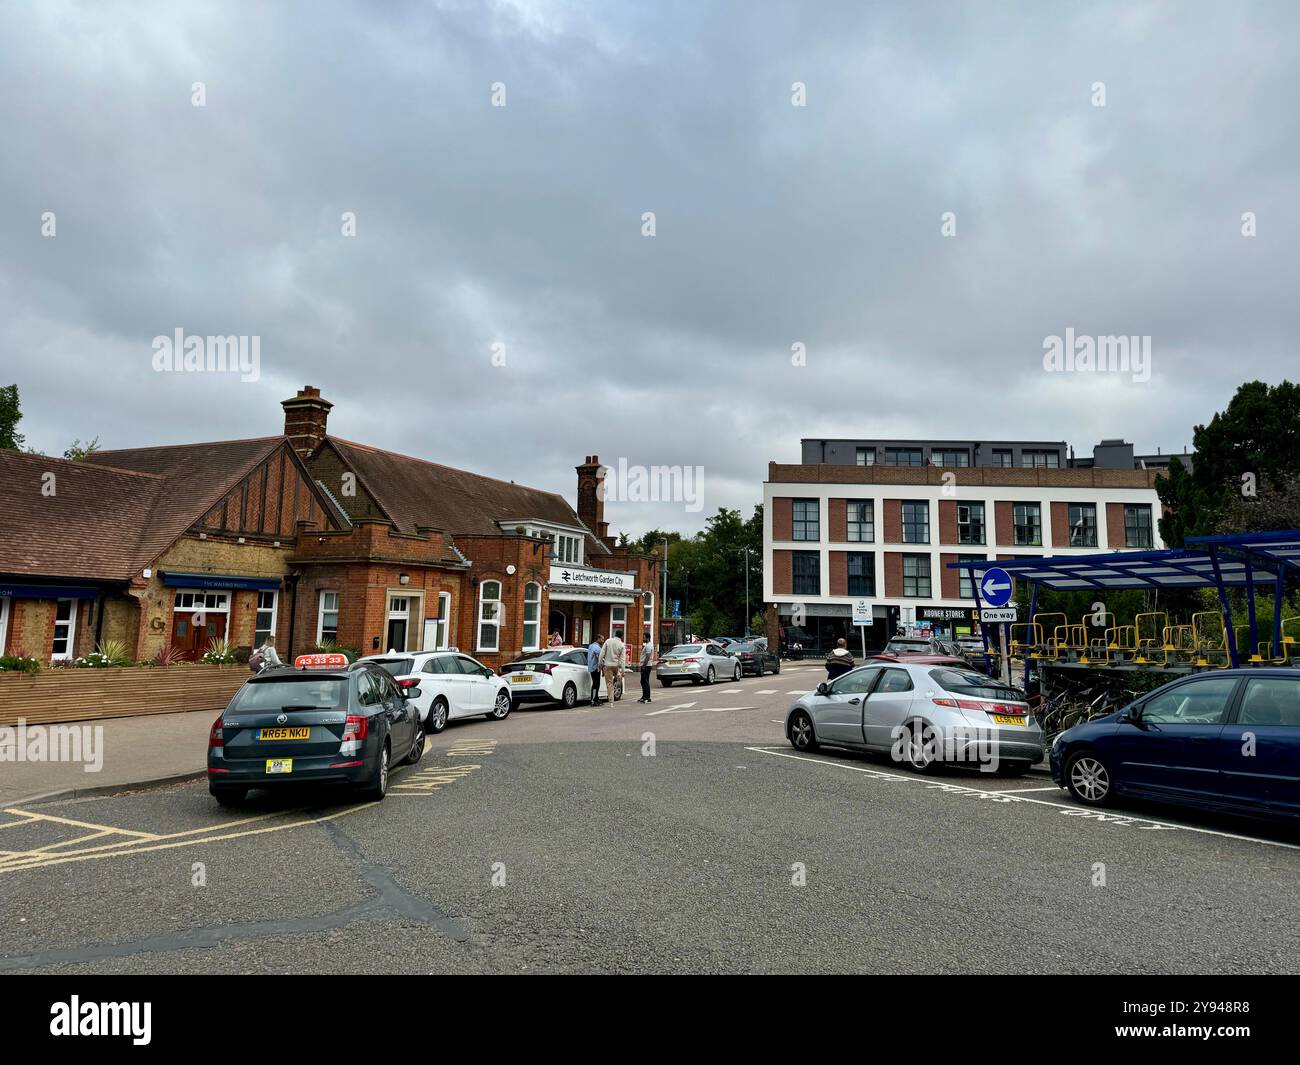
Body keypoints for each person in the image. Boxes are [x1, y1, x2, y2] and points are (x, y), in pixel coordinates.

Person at [600, 629, 626, 702]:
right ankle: (618, 677)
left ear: (615, 634)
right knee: (617, 676)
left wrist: (600, 664)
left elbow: (602, 654)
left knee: (609, 683)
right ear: (622, 636)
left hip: (607, 665)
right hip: (616, 665)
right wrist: (623, 670)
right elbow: (622, 659)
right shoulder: (622, 645)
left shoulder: (608, 641)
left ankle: (611, 700)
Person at [637, 630, 654, 703]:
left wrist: (643, 666)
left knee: (645, 681)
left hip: (646, 666)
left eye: (644, 637)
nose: (643, 639)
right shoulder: (649, 645)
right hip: (647, 665)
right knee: (643, 681)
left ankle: (646, 697)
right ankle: (645, 696)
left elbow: (647, 656)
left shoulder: (648, 646)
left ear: (647, 638)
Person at [587, 634, 604, 705]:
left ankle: (596, 698)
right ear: (598, 639)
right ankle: (593, 700)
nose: (603, 641)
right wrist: (602, 668)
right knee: (596, 684)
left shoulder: (591, 646)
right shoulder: (597, 648)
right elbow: (600, 658)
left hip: (591, 667)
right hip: (595, 668)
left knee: (596, 684)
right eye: (602, 639)